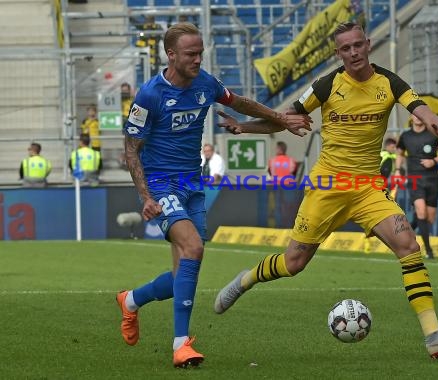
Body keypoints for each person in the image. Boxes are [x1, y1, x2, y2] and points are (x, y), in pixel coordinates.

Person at [214, 22, 438, 360]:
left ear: (367, 44)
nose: (353, 53)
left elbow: (419, 107)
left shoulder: (389, 82)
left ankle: (433, 334)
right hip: (328, 186)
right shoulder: (326, 85)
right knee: (294, 263)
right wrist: (243, 128)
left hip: (367, 187)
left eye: (357, 45)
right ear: (338, 53)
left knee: (408, 245)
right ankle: (245, 280)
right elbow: (285, 118)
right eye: (345, 49)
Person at [117, 22, 310, 368]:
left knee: (182, 278)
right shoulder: (149, 95)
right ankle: (181, 345)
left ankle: (131, 300)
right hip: (162, 185)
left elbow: (242, 103)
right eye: (191, 53)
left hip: (194, 184)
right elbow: (131, 150)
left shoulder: (206, 83)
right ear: (171, 54)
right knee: (193, 247)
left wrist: (281, 118)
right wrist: (146, 196)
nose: (198, 58)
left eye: (201, 52)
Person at [396, 115, 438, 259]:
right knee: (421, 212)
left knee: (429, 218)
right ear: (411, 117)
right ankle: (428, 251)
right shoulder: (405, 136)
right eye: (414, 115)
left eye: (420, 115)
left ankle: (406, 233)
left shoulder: (433, 134)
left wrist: (434, 160)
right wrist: (397, 170)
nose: (418, 118)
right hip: (414, 178)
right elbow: (400, 153)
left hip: (432, 179)